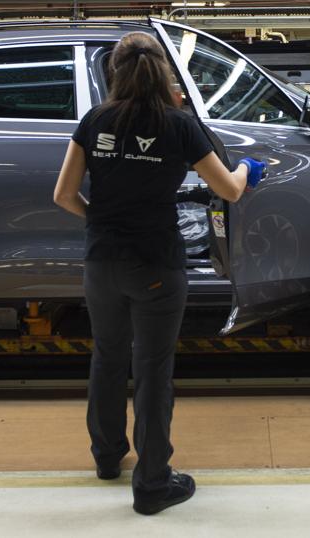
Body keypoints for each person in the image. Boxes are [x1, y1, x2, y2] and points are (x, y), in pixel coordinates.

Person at [53, 32, 266, 515]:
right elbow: (228, 191)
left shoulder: (94, 121)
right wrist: (250, 170)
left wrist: (104, 222)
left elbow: (63, 195)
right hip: (155, 265)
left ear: (115, 72)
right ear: (163, 73)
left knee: (107, 357)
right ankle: (151, 485)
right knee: (152, 369)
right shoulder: (178, 125)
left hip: (101, 261)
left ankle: (108, 458)